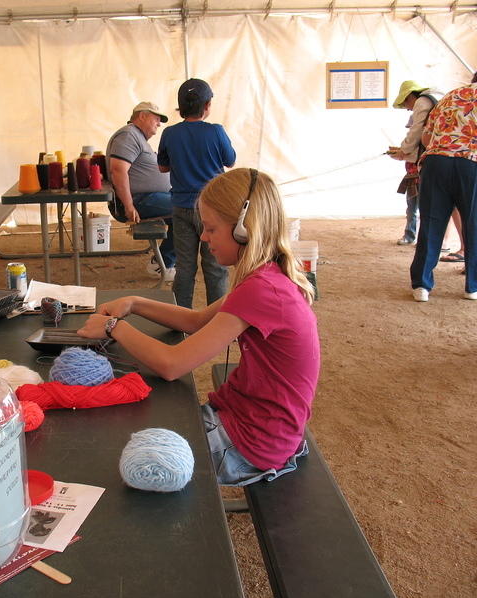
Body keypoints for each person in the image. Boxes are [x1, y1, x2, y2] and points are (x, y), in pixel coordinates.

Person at [78, 169, 319, 485]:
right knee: (135, 426)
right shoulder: (269, 277)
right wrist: (135, 303)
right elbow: (196, 321)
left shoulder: (263, 290)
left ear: (244, 230)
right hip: (251, 425)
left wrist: (114, 327)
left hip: (251, 443)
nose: (204, 237)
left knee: (118, 458)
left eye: (210, 228)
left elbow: (171, 365)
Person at [410, 63, 477, 302]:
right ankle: (474, 286)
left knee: (431, 223)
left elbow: (426, 135)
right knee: (476, 223)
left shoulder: (447, 98)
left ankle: (421, 285)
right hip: (474, 165)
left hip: (436, 162)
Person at [157, 78, 236, 308]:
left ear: (180, 107)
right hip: (212, 209)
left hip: (181, 207)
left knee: (185, 267)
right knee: (215, 268)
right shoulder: (216, 131)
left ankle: (180, 320)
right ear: (207, 105)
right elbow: (230, 161)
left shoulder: (170, 133)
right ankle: (217, 320)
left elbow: (163, 166)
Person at [106, 101, 176, 281]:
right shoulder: (128, 135)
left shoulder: (136, 137)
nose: (159, 124)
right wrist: (129, 206)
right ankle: (162, 265)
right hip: (139, 200)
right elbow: (118, 170)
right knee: (188, 209)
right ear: (142, 116)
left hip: (148, 197)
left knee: (187, 209)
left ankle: (164, 262)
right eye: (157, 119)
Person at [389, 81, 443, 245]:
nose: (407, 108)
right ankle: (420, 237)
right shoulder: (435, 99)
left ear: (411, 95)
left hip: (425, 166)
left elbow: (417, 131)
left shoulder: (422, 102)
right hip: (432, 160)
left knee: (418, 206)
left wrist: (403, 150)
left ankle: (418, 238)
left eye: (405, 102)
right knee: (419, 206)